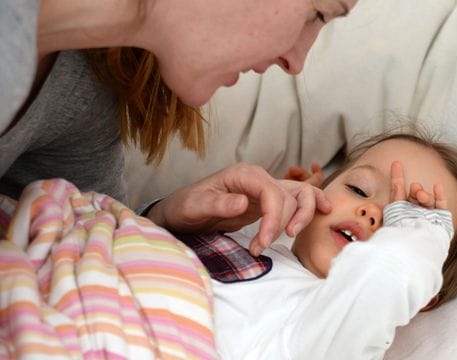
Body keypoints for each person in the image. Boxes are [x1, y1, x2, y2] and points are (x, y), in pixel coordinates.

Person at [0, 0, 359, 257]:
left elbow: (87, 246)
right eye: (317, 13)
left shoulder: (82, 92)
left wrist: (165, 218)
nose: (296, 62)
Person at [177, 130, 457, 359]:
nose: (370, 211)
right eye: (358, 190)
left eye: (400, 220)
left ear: (422, 294)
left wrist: (419, 234)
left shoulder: (339, 327)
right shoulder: (243, 236)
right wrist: (169, 216)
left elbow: (384, 278)